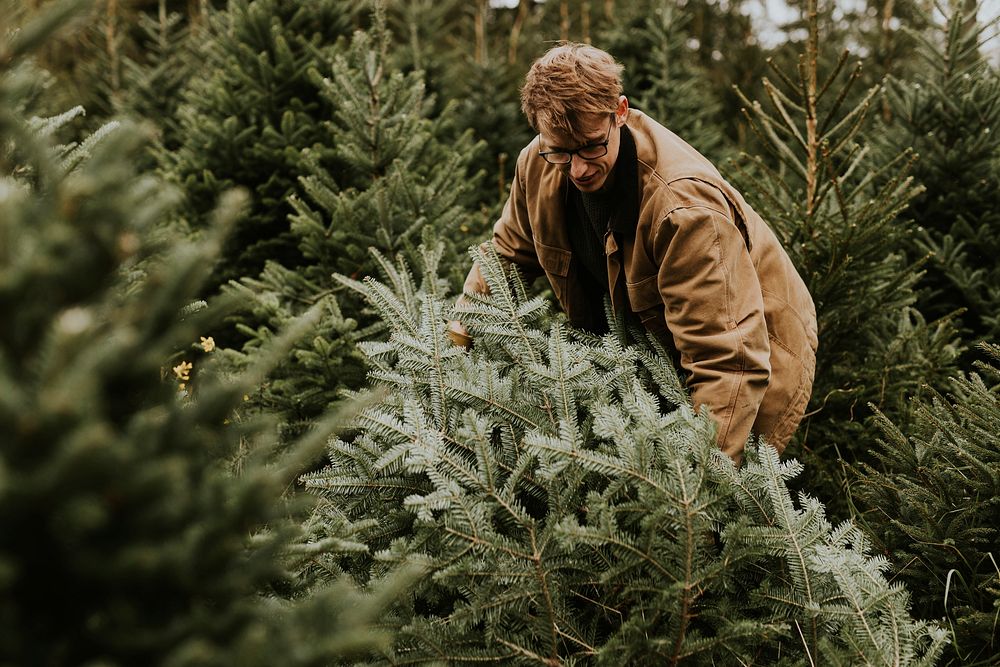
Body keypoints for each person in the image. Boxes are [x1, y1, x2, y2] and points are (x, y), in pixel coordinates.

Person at [449, 43, 817, 462]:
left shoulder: (683, 209)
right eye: (560, 151)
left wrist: (692, 484)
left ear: (619, 112)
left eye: (591, 146)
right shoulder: (536, 163)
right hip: (647, 352)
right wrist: (455, 340)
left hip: (752, 357)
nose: (578, 169)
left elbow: (727, 362)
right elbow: (506, 257)